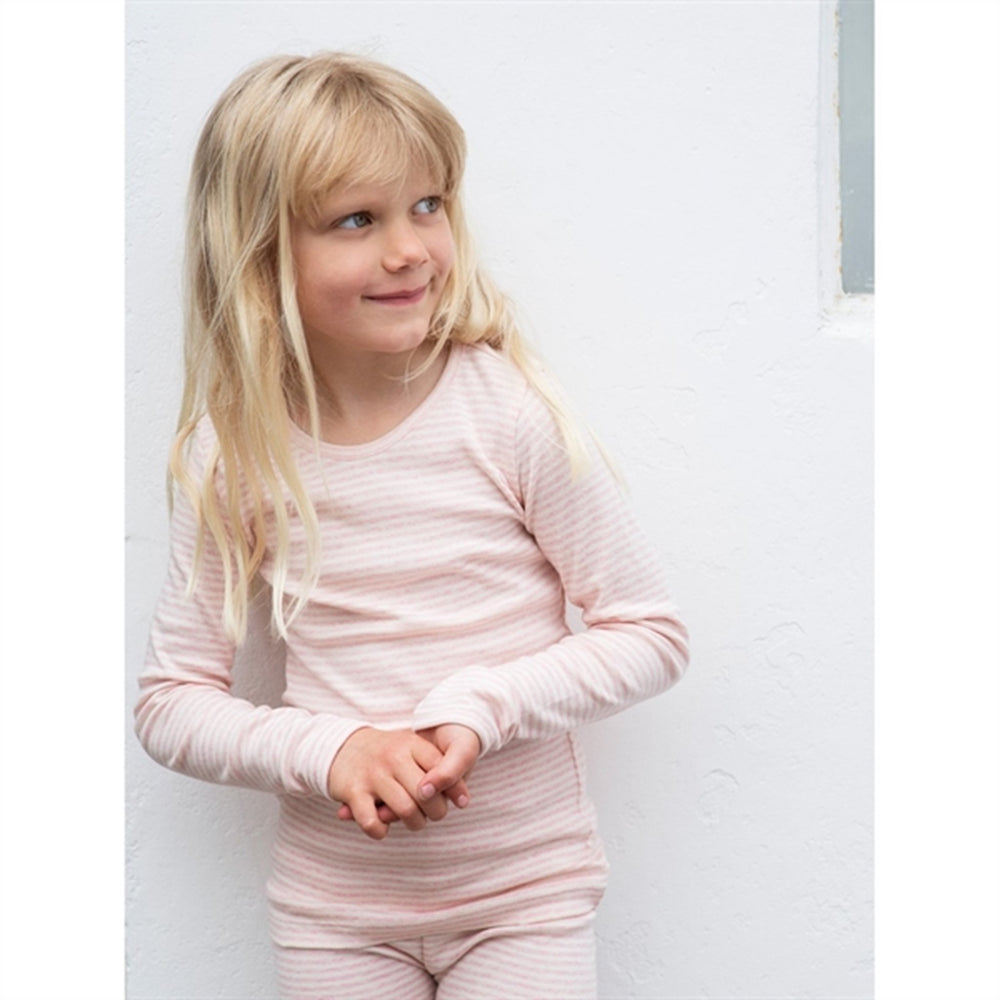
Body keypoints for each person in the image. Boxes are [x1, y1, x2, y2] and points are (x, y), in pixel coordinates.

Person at [134, 51, 690, 1000]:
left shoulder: (505, 413)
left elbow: (650, 633)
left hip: (524, 897)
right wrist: (332, 751)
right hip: (336, 917)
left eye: (427, 205)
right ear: (261, 252)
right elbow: (170, 702)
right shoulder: (232, 453)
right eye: (358, 219)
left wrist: (485, 703)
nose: (410, 250)